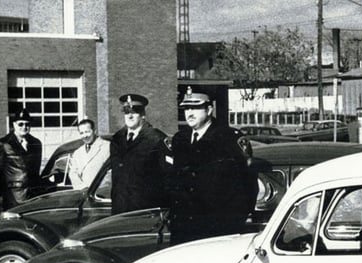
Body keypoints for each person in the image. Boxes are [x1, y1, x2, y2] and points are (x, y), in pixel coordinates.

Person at [168, 90, 258, 245]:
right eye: (186, 109)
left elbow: (247, 186)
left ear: (209, 110)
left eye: (195, 108)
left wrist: (232, 223)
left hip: (216, 230)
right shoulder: (180, 140)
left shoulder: (229, 139)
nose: (189, 113)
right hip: (183, 229)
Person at [109, 94, 170, 215]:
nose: (130, 116)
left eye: (135, 112)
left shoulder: (156, 139)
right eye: (126, 112)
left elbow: (168, 179)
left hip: (146, 211)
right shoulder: (117, 139)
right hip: (119, 209)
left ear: (143, 115)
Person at [0, 109, 43, 209]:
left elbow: (36, 171)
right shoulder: (3, 144)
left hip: (33, 196)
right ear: (14, 124)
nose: (24, 127)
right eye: (21, 124)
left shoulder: (36, 143)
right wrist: (5, 195)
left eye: (27, 124)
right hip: (13, 197)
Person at [66, 118, 110, 189]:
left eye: (87, 132)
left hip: (100, 193)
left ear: (94, 131)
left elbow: (111, 172)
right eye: (81, 133)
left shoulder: (107, 147)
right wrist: (82, 187)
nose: (85, 136)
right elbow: (73, 173)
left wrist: (98, 189)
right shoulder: (77, 153)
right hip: (82, 193)